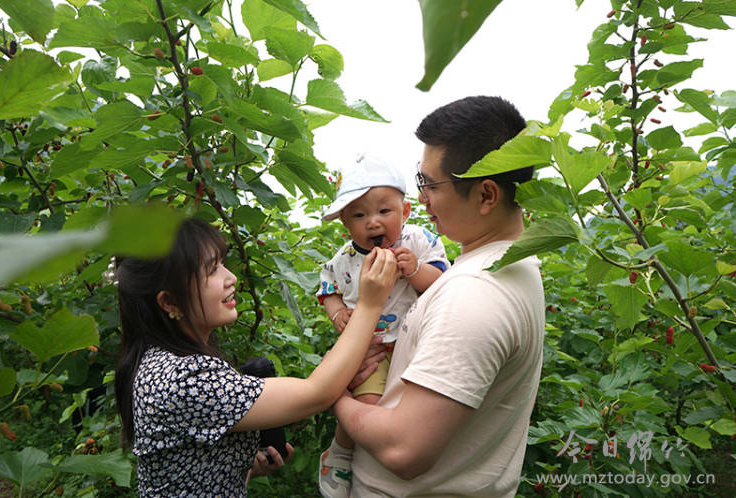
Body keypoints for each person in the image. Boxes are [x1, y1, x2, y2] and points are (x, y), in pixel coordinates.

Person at [332, 96, 546, 497]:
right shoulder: (509, 267)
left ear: (486, 195)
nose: (423, 198)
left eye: (431, 184)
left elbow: (405, 449)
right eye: (420, 180)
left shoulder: (475, 295)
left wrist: (335, 396)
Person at [113, 217, 399, 497]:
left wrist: (242, 468)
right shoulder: (180, 379)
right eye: (212, 270)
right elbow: (316, 393)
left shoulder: (162, 364)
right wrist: (370, 303)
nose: (231, 277)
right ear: (169, 301)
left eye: (222, 263)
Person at [316, 154, 450, 497]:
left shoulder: (418, 242)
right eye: (359, 215)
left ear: (405, 212)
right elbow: (327, 290)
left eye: (384, 212)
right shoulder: (343, 260)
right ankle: (341, 453)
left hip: (414, 345)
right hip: (369, 349)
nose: (373, 223)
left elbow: (442, 282)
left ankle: (395, 455)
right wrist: (337, 315)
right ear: (346, 223)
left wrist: (415, 269)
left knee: (413, 408)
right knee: (370, 404)